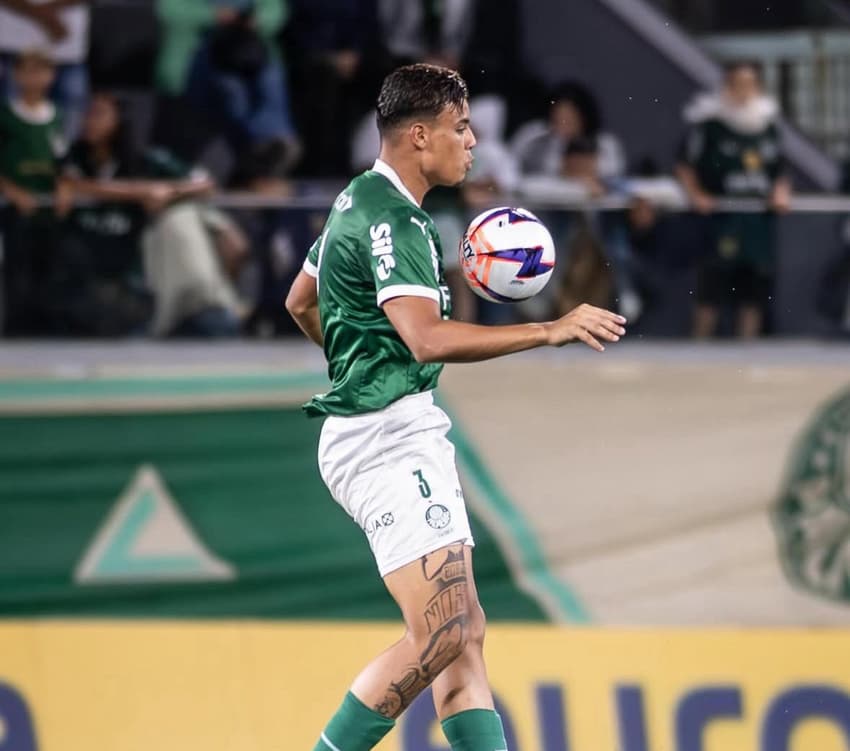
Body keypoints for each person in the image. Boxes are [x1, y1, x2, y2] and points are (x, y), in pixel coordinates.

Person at [285, 64, 626, 751]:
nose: (472, 142)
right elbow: (426, 338)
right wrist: (548, 329)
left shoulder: (356, 200)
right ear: (420, 136)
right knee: (442, 631)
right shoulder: (398, 219)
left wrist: (360, 362)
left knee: (463, 636)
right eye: (461, 128)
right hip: (384, 437)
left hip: (391, 423)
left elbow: (300, 301)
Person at [58, 92, 247, 337]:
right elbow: (73, 183)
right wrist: (144, 192)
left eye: (99, 114)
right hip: (86, 270)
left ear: (119, 120)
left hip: (136, 276)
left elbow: (205, 184)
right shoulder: (75, 157)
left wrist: (168, 191)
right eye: (88, 114)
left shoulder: (146, 160)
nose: (89, 121)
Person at [676, 60, 791, 338]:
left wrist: (781, 192)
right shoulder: (709, 126)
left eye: (749, 84)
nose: (743, 91)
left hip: (757, 222)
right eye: (737, 84)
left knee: (753, 292)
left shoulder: (768, 126)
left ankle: (747, 352)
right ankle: (699, 349)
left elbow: (780, 169)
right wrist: (696, 194)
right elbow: (684, 164)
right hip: (720, 220)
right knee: (711, 290)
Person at [155, 0, 297, 177]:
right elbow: (169, 10)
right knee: (231, 89)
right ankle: (261, 147)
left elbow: (275, 11)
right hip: (201, 64)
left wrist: (255, 21)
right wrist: (215, 16)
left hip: (252, 55)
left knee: (268, 80)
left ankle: (273, 141)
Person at [0, 49, 66, 335]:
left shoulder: (56, 116)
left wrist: (63, 187)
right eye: (28, 70)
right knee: (16, 263)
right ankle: (16, 323)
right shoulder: (6, 116)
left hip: (46, 204)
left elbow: (61, 159)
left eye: (42, 71)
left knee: (47, 262)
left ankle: (45, 322)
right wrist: (11, 190)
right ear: (16, 75)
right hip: (12, 205)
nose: (35, 77)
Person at [0, 0, 90, 140]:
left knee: (67, 130)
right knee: (11, 120)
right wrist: (43, 15)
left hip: (67, 54)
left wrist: (45, 12)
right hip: (13, 48)